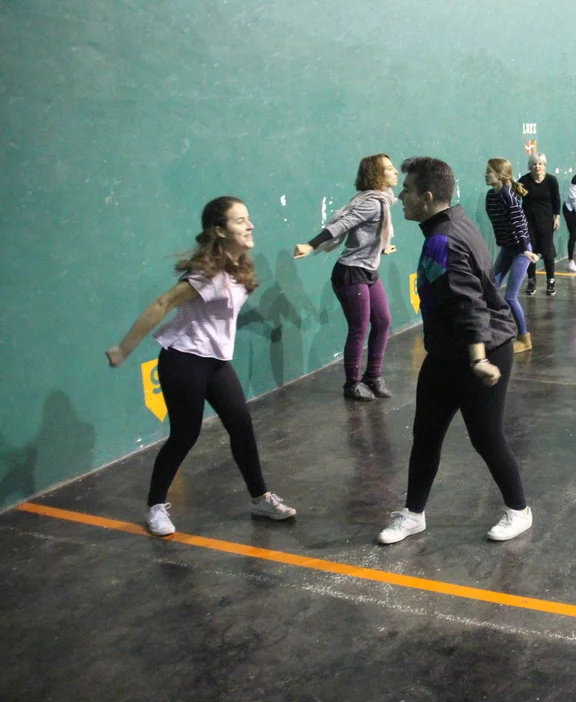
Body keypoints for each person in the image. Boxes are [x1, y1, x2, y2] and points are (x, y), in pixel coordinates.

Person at [106, 197, 296, 537]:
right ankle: (155, 506)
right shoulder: (208, 274)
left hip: (216, 362)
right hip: (184, 359)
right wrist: (124, 349)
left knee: (241, 426)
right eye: (241, 221)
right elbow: (163, 303)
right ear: (220, 231)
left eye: (248, 218)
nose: (250, 225)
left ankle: (260, 499)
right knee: (185, 434)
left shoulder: (236, 267)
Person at [377, 157, 532, 545]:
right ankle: (413, 514)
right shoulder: (455, 222)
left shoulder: (443, 239)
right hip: (446, 352)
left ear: (428, 197)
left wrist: (478, 359)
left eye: (407, 190)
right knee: (426, 434)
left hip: (482, 350)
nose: (401, 196)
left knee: (486, 437)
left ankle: (519, 511)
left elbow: (469, 303)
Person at [294, 154, 398, 401]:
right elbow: (341, 225)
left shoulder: (383, 201)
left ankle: (373, 376)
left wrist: (381, 248)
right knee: (359, 328)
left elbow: (366, 234)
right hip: (351, 271)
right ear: (377, 175)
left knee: (383, 321)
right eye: (389, 168)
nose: (395, 172)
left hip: (368, 269)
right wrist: (311, 245)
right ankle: (352, 384)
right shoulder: (372, 203)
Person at [485, 158, 540, 353]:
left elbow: (519, 224)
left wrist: (525, 249)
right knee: (491, 290)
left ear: (501, 175)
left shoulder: (508, 195)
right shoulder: (491, 196)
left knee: (510, 297)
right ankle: (495, 333)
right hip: (508, 248)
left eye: (489, 171)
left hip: (521, 251)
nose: (485, 174)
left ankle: (524, 339)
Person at [519, 153, 561, 296]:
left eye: (540, 163)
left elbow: (556, 200)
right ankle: (531, 280)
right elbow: (516, 197)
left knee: (547, 251)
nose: (537, 166)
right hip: (528, 221)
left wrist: (557, 217)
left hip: (546, 221)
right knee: (531, 250)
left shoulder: (551, 180)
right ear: (530, 166)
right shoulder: (524, 181)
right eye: (534, 164)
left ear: (544, 165)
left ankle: (551, 280)